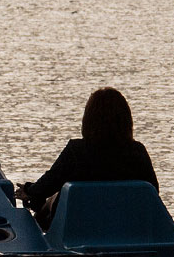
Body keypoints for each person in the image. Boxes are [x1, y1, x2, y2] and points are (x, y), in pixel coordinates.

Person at [14, 87, 157, 229]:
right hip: (126, 223)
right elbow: (153, 191)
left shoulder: (76, 150)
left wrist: (29, 191)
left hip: (79, 224)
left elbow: (48, 184)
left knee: (54, 198)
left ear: (88, 119)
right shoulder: (138, 151)